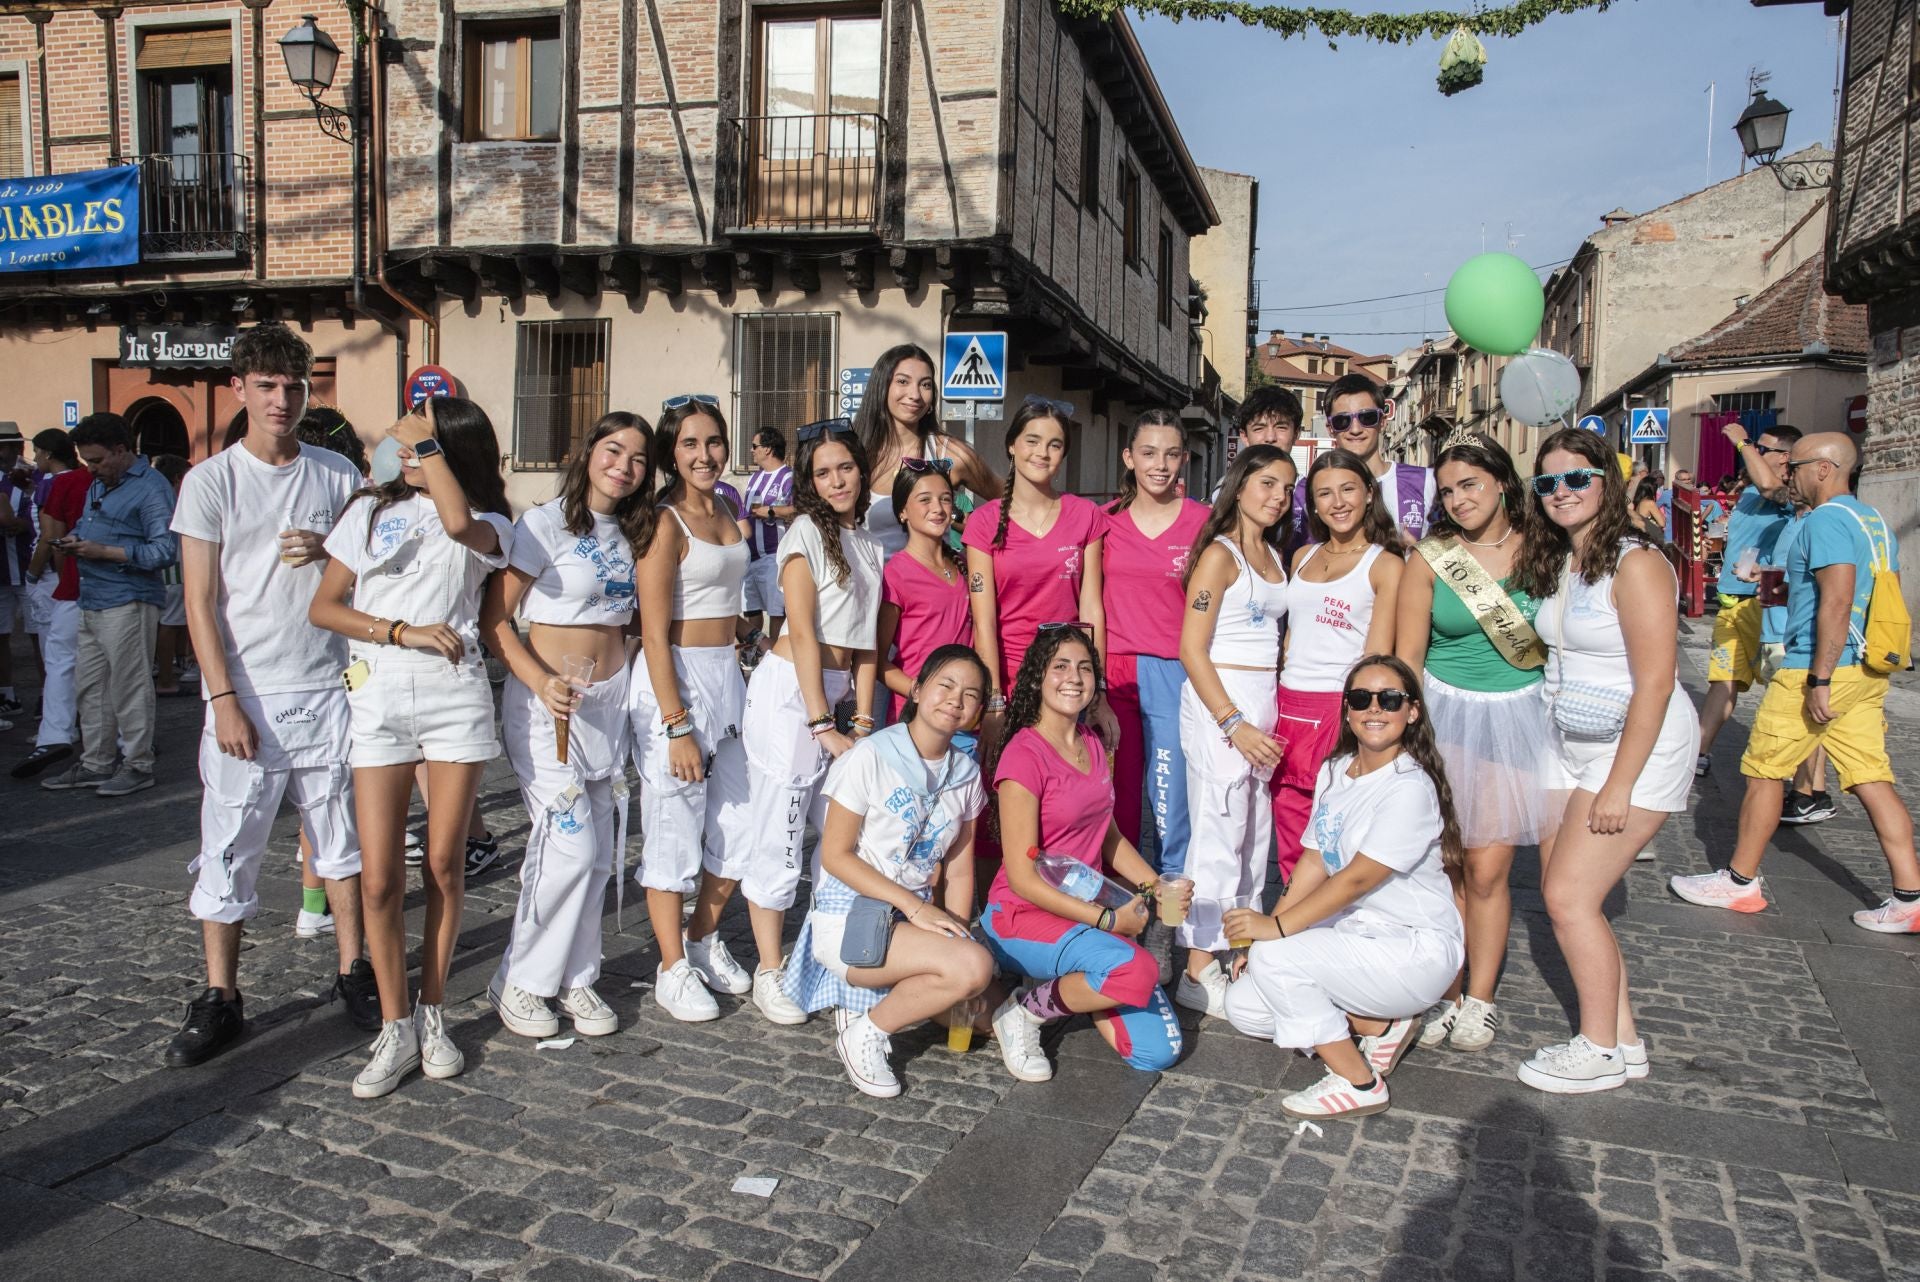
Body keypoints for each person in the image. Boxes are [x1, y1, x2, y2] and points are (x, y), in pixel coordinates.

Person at [163, 325, 374, 1067]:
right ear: (240, 390)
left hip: (326, 684)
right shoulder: (210, 481)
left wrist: (328, 552)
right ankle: (221, 995)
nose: (282, 400)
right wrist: (221, 698)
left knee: (341, 841)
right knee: (229, 847)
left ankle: (355, 969)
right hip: (247, 690)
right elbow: (198, 600)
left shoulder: (337, 473)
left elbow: (365, 572)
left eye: (293, 387)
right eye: (267, 387)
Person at [309, 397, 513, 1096]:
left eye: (424, 436)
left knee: (446, 865)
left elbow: (459, 524)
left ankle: (433, 1013)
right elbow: (325, 605)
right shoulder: (367, 511)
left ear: (449, 446)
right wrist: (400, 630)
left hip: (453, 695)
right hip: (380, 692)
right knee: (378, 878)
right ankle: (394, 1026)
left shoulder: (491, 520)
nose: (402, 441)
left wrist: (427, 453)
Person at [1670, 432, 1920, 933]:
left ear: (1824, 469)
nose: (1789, 474)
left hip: (1821, 665)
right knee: (1872, 776)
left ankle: (1739, 881)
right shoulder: (1870, 520)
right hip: (1866, 668)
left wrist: (1819, 677)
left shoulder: (1825, 520)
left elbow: (1837, 599)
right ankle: (1910, 896)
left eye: (1797, 465)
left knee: (1764, 770)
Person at [1518, 428, 1695, 1093]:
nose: (1562, 492)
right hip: (1572, 745)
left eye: (1577, 479)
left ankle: (1595, 1049)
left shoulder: (1636, 563)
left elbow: (1654, 680)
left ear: (1606, 484)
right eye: (1549, 483)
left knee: (1569, 897)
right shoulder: (1565, 558)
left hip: (1636, 750)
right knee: (1570, 894)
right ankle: (1623, 1040)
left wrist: (1620, 785)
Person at [1222, 655, 1465, 1119]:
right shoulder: (1337, 769)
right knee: (1246, 1005)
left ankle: (1358, 1082)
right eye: (1361, 699)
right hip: (1357, 938)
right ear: (1348, 711)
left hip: (1413, 948)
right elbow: (1314, 858)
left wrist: (1276, 930)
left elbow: (1356, 878)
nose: (1375, 709)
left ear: (1412, 711)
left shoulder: (1410, 786)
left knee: (1277, 960)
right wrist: (1262, 933)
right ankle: (1379, 1025)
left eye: (1389, 699)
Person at [481, 412, 651, 1040]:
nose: (623, 466)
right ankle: (521, 980)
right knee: (568, 844)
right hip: (549, 705)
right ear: (588, 452)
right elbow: (495, 620)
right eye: (613, 450)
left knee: (600, 855)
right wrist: (539, 680)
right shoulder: (543, 524)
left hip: (608, 704)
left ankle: (575, 976)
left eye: (636, 458)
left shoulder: (637, 531)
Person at [783, 646, 997, 1097]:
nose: (955, 699)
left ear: (978, 711)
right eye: (945, 685)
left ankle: (872, 1001)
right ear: (917, 690)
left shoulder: (966, 775)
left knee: (980, 1003)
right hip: (852, 917)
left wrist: (956, 933)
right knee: (973, 968)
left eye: (971, 694)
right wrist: (917, 910)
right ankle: (866, 1032)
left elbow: (959, 873)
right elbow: (837, 856)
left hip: (907, 921)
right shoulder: (871, 756)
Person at [1394, 430, 1547, 1054]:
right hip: (1445, 720)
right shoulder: (1431, 558)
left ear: (1504, 483)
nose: (1459, 500)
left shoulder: (1548, 550)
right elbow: (1407, 659)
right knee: (1447, 865)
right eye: (1448, 490)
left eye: (1471, 485)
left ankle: (1479, 1001)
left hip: (1519, 721)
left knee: (1489, 869)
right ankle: (1449, 990)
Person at [981, 624, 1185, 1079]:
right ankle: (1023, 1013)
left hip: (1082, 910)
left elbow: (1108, 837)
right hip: (1020, 915)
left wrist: (1156, 886)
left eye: (1084, 668)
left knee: (1158, 1051)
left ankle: (1076, 981)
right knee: (1137, 972)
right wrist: (1110, 921)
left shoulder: (1092, 742)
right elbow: (1021, 877)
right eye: (1060, 667)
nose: (1073, 677)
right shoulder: (1023, 755)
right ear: (1037, 678)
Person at [739, 418, 885, 1025]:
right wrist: (820, 721)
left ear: (861, 468)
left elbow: (869, 643)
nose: (836, 481)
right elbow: (801, 631)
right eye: (822, 473)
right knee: (783, 827)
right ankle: (768, 969)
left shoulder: (871, 541)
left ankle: (820, 953)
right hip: (792, 693)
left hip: (841, 695)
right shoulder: (804, 533)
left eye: (844, 468)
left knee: (841, 833)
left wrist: (866, 721)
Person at [630, 399, 757, 1023]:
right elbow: (653, 634)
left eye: (713, 442)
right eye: (689, 445)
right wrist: (677, 723)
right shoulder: (664, 522)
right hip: (674, 678)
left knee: (738, 820)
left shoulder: (729, 508)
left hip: (727, 676)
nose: (704, 455)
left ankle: (704, 941)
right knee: (674, 827)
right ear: (671, 453)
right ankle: (671, 965)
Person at [1173, 445, 1292, 1016]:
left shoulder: (1273, 554)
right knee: (1218, 835)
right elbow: (1191, 649)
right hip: (1222, 706)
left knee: (1252, 835)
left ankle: (1236, 944)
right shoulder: (1219, 557)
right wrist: (1233, 722)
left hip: (1262, 707)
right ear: (1240, 485)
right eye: (1267, 483)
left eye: (1287, 488)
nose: (1278, 497)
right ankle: (1198, 965)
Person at [1270, 448, 1404, 880]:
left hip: (1338, 705)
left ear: (1369, 492)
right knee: (1289, 828)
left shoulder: (1385, 563)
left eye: (1348, 489)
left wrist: (1360, 715)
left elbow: (1377, 656)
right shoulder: (1300, 557)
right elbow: (1290, 636)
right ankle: (1293, 926)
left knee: (1334, 830)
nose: (1338, 502)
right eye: (1325, 494)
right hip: (1287, 703)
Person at [964, 397, 1113, 754]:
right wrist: (995, 700)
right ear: (1012, 446)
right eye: (1032, 440)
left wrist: (1098, 691)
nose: (1042, 452)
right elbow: (984, 623)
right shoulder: (983, 523)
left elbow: (1091, 609)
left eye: (1054, 444)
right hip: (1009, 679)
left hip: (1067, 679)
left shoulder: (1085, 515)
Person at [40, 414, 177, 798]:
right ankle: (96, 762)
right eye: (87, 461)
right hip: (93, 597)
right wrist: (76, 540)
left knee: (129, 686)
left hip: (128, 599)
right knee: (91, 687)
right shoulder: (102, 483)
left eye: (98, 461)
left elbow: (165, 550)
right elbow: (94, 525)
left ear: (121, 451)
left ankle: (138, 765)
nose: (92, 468)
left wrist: (104, 552)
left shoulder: (151, 488)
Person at [1103, 409, 1210, 875]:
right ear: (1129, 458)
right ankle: (1125, 887)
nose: (1160, 465)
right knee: (1118, 789)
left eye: (1170, 454)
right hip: (1114, 668)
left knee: (1170, 789)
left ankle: (1172, 885)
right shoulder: (1102, 522)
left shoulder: (1206, 523)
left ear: (1184, 459)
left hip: (1174, 668)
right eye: (1148, 453)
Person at [1694, 423, 1797, 776]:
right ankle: (1699, 754)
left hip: (1763, 602)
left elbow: (1772, 486)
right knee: (1722, 680)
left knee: (1782, 687)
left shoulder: (1786, 492)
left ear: (1785, 457)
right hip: (1731, 602)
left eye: (1761, 447)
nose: (1753, 451)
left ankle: (1797, 775)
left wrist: (1740, 440)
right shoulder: (1750, 491)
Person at [855, 344, 1000, 556]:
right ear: (882, 387)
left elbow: (1011, 503)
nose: (915, 394)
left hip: (931, 586)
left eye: (925, 385)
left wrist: (976, 559)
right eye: (903, 381)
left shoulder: (949, 454)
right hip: (866, 588)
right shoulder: (854, 453)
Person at [13, 430, 87, 778]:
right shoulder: (93, 478)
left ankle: (57, 731)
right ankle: (120, 737)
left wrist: (36, 575)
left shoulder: (55, 485)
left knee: (58, 655)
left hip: (70, 581)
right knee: (107, 663)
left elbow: (50, 537)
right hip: (105, 582)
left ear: (44, 453)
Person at [876, 461, 973, 725]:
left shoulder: (966, 564)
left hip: (965, 717)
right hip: (914, 721)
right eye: (924, 500)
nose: (938, 508)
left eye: (945, 499)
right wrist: (922, 693)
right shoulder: (895, 575)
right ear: (903, 512)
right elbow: (877, 661)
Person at [1314, 374, 1432, 540]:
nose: (1355, 429)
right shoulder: (1314, 490)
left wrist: (1419, 554)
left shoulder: (1426, 481)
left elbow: (1458, 548)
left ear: (1382, 421)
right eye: (1342, 421)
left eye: (1367, 417)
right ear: (1330, 428)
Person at [741, 424, 795, 653]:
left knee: (776, 611)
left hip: (773, 555)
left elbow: (797, 509)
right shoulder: (755, 478)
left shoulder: (787, 476)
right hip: (750, 556)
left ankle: (776, 657)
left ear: (769, 449)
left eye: (755, 446)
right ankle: (752, 655)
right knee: (750, 611)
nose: (751, 451)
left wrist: (770, 512)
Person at [0, 422, 38, 716]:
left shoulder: (30, 480)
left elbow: (31, 521)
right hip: (4, 572)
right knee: (4, 635)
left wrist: (18, 523)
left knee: (40, 634)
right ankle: (7, 694)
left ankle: (47, 695)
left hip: (29, 569)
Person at [147, 454, 193, 697]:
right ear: (177, 478)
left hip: (166, 570)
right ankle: (166, 679)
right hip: (174, 570)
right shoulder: (172, 501)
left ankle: (168, 669)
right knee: (170, 623)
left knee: (169, 622)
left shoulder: (155, 496)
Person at [1210, 387, 1304, 504]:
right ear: (1244, 436)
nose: (1270, 438)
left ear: (1296, 434)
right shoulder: (1225, 491)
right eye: (1259, 428)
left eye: (1281, 427)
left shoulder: (1310, 494)